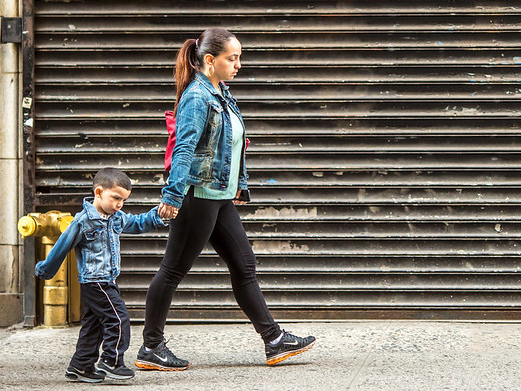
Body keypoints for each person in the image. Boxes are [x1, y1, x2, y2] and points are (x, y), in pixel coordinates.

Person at [135, 27, 315, 371]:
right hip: (195, 197)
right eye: (232, 58)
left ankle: (274, 340)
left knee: (244, 265)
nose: (238, 64)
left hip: (219, 197)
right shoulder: (196, 97)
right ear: (209, 60)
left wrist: (238, 187)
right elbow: (185, 148)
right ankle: (151, 347)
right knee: (172, 270)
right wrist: (172, 196)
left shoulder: (221, 93)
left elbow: (228, 148)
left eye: (239, 58)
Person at [35, 167, 168, 383]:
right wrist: (46, 269)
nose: (119, 205)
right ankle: (111, 361)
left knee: (94, 324)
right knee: (118, 318)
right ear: (98, 192)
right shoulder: (83, 221)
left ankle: (81, 366)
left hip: (108, 280)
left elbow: (138, 223)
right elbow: (61, 246)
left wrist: (157, 215)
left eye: (123, 200)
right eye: (116, 198)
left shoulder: (117, 217)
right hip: (95, 281)